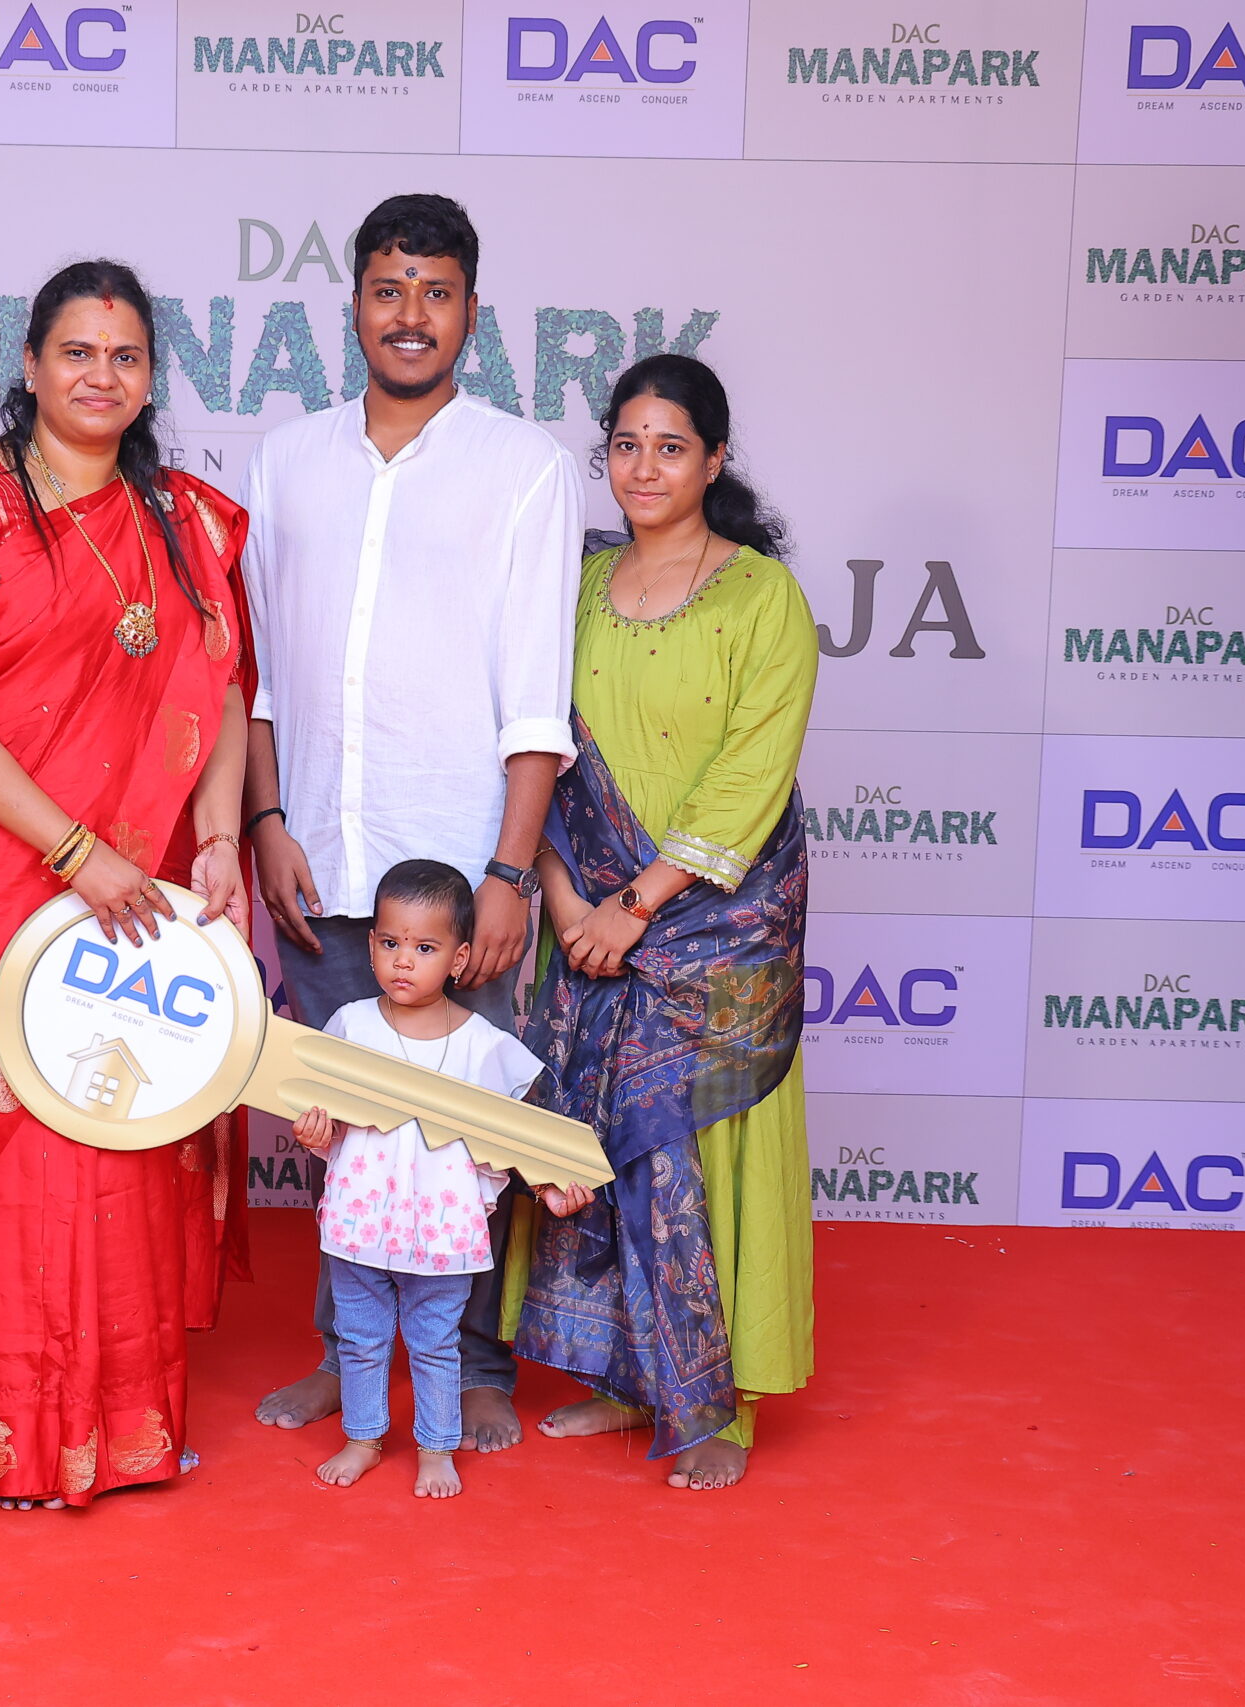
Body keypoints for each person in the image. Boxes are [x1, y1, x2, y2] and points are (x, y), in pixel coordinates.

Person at [0, 259, 252, 1510]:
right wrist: (73, 854)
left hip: (140, 887)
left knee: (119, 1123)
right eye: (78, 352)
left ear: (150, 379)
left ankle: (125, 1431)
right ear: (32, 365)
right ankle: (13, 1440)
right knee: (19, 1140)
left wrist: (217, 840)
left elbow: (219, 689)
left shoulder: (184, 521)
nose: (102, 375)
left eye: (126, 356)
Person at [241, 193, 582, 1451]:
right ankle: (346, 1361)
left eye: (435, 293)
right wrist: (266, 819)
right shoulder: (285, 461)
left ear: (471, 314)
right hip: (318, 859)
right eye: (389, 289)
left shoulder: (525, 468)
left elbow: (536, 700)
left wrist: (508, 873)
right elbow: (262, 675)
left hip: (458, 875)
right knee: (344, 1138)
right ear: (354, 306)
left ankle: (476, 1365)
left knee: (466, 1136)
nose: (410, 314)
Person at [508, 353, 817, 1492]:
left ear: (715, 460)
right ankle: (626, 1377)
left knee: (698, 1140)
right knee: (601, 1139)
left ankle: (717, 1403)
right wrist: (564, 901)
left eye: (671, 447)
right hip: (584, 917)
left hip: (712, 928)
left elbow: (750, 774)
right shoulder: (574, 582)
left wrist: (639, 906)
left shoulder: (761, 596)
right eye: (626, 445)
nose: (643, 468)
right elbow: (530, 738)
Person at [289, 861, 588, 1498]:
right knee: (361, 1341)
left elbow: (517, 1136)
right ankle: (363, 1439)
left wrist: (550, 1184)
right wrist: (316, 1134)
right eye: (390, 943)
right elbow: (329, 1122)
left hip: (443, 1230)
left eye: (425, 948)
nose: (404, 960)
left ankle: (436, 1448)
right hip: (360, 1223)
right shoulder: (349, 1025)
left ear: (459, 959)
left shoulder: (484, 1044)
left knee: (434, 1344)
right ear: (370, 945)